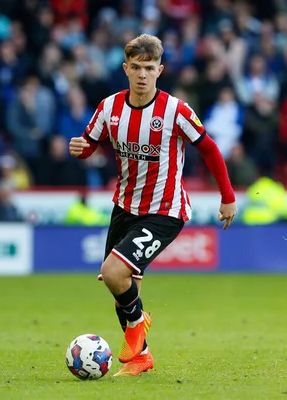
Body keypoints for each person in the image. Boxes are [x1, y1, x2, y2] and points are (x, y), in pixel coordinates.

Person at [68, 34, 237, 377]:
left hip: (165, 210)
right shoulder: (109, 107)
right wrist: (80, 149)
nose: (142, 74)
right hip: (125, 206)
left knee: (115, 273)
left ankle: (138, 323)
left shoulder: (175, 110)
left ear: (159, 70)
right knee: (122, 291)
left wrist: (228, 197)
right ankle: (142, 356)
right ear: (125, 69)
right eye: (136, 67)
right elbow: (90, 143)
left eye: (149, 68)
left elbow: (209, 149)